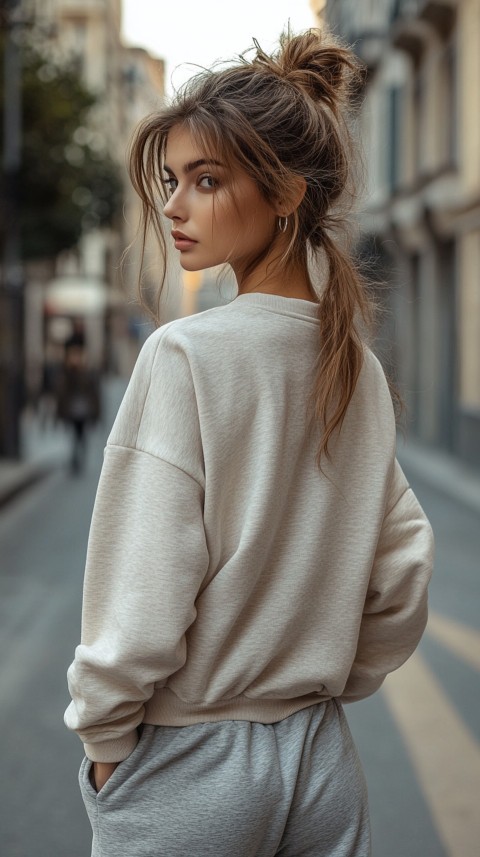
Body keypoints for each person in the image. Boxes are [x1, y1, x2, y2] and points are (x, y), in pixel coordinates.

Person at [64, 28, 434, 857]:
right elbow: (404, 571)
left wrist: (103, 749)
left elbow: (143, 589)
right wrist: (328, 675)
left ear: (285, 194)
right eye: (171, 181)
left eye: (206, 180)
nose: (173, 206)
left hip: (190, 762)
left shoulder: (185, 355)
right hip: (320, 755)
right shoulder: (358, 369)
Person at [56, 338, 101, 474]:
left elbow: (94, 394)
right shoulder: (67, 372)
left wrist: (96, 414)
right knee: (75, 435)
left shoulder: (88, 372)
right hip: (72, 410)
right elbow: (62, 393)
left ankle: (78, 458)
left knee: (81, 435)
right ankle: (75, 459)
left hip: (84, 410)